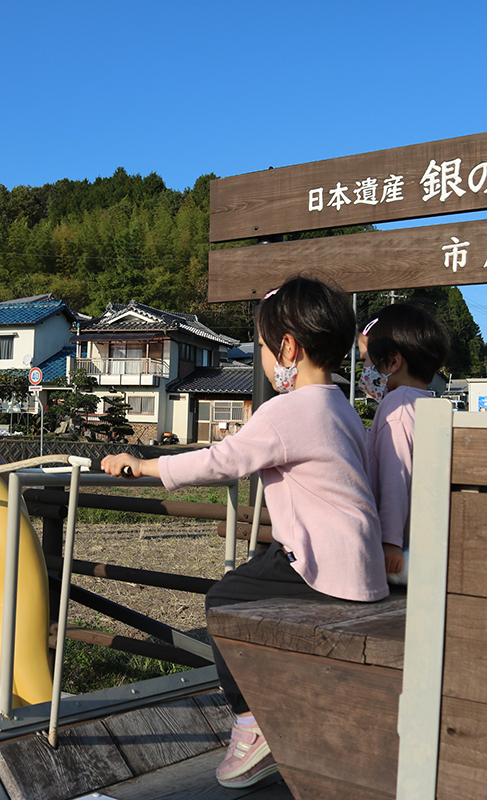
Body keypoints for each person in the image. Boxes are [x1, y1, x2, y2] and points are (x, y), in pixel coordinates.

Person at [102, 276, 385, 789]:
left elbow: (221, 462)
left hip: (321, 562)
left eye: (259, 347)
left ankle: (254, 724)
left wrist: (140, 467)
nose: (259, 356)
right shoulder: (341, 405)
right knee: (257, 584)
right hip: (357, 564)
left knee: (226, 599)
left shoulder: (289, 408)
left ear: (288, 349)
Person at [357, 302, 451, 582]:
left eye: (366, 362)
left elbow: (394, 478)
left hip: (402, 553)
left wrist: (390, 544)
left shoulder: (396, 406)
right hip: (427, 541)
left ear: (393, 362)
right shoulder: (429, 403)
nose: (364, 372)